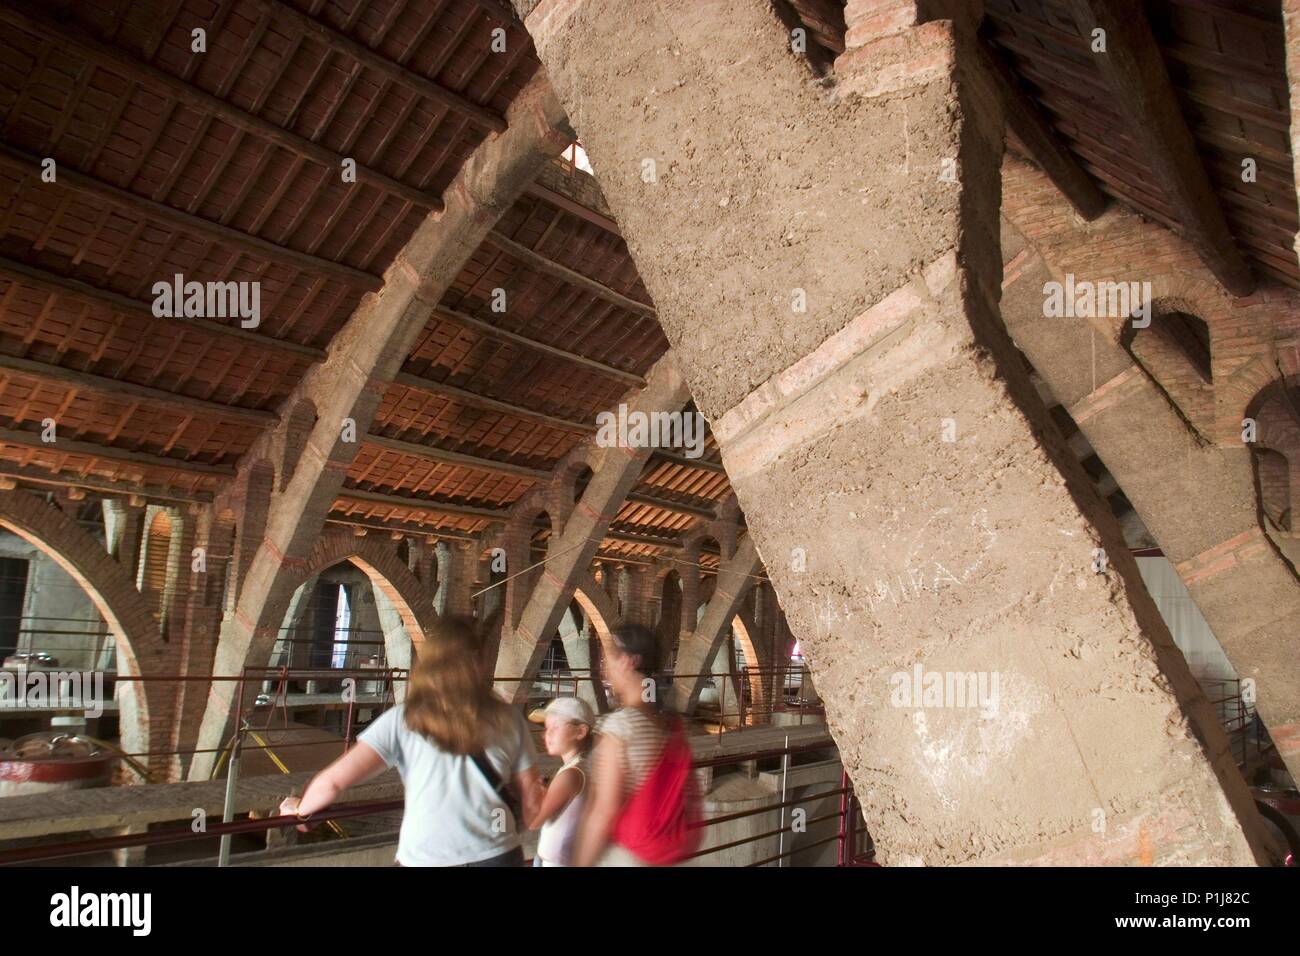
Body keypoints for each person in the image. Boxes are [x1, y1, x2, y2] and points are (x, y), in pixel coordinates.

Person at [278, 617, 541, 867]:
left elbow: (333, 782)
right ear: (480, 664)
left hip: (427, 856)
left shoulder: (402, 720)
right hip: (497, 855)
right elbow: (531, 799)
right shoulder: (509, 719)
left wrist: (299, 810)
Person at [573, 623, 698, 867]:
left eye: (606, 658)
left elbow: (603, 812)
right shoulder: (670, 724)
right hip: (668, 857)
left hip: (630, 857)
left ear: (627, 662)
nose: (604, 667)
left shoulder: (619, 727)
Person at [528, 696, 594, 867]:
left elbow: (534, 821)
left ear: (580, 732)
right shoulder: (582, 766)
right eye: (546, 728)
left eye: (555, 727)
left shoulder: (570, 775)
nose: (547, 734)